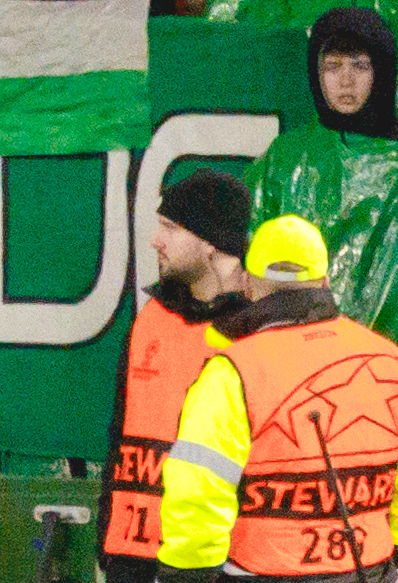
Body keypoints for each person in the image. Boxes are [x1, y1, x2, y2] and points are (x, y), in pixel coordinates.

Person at [156, 214, 398, 579]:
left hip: (263, 572)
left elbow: (198, 489)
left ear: (248, 284)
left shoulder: (233, 372)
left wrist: (186, 574)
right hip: (368, 569)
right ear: (324, 280)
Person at [108, 172, 252, 583]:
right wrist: (108, 537)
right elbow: (120, 432)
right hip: (132, 554)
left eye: (170, 228)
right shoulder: (150, 318)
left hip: (217, 563)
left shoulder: (253, 332)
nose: (156, 240)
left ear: (210, 242)